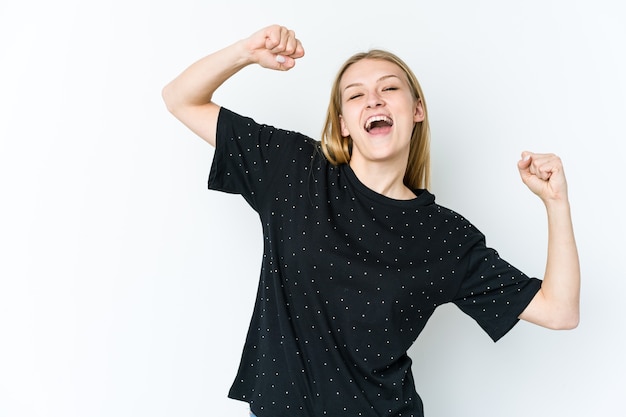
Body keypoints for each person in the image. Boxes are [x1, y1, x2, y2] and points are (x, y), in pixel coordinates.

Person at [162, 25, 580, 417]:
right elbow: (181, 98)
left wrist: (556, 204)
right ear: (343, 123)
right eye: (356, 95)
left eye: (389, 88)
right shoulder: (294, 168)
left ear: (417, 110)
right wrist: (244, 53)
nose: (374, 100)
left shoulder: (445, 237)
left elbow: (559, 311)